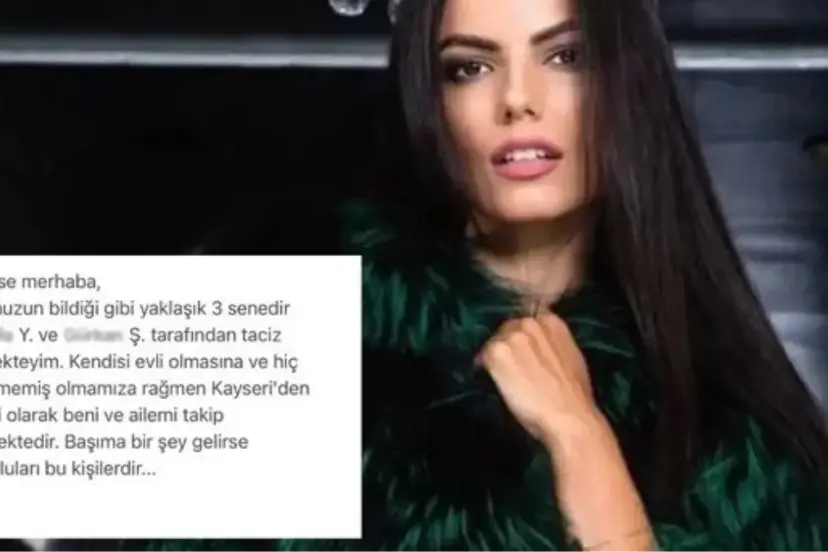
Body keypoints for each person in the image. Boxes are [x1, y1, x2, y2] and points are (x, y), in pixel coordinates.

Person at [55, 0, 828, 551]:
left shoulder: (744, 452)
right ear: (429, 99)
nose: (517, 101)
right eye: (469, 68)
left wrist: (581, 443)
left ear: (629, 86)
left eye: (565, 56)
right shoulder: (274, 311)